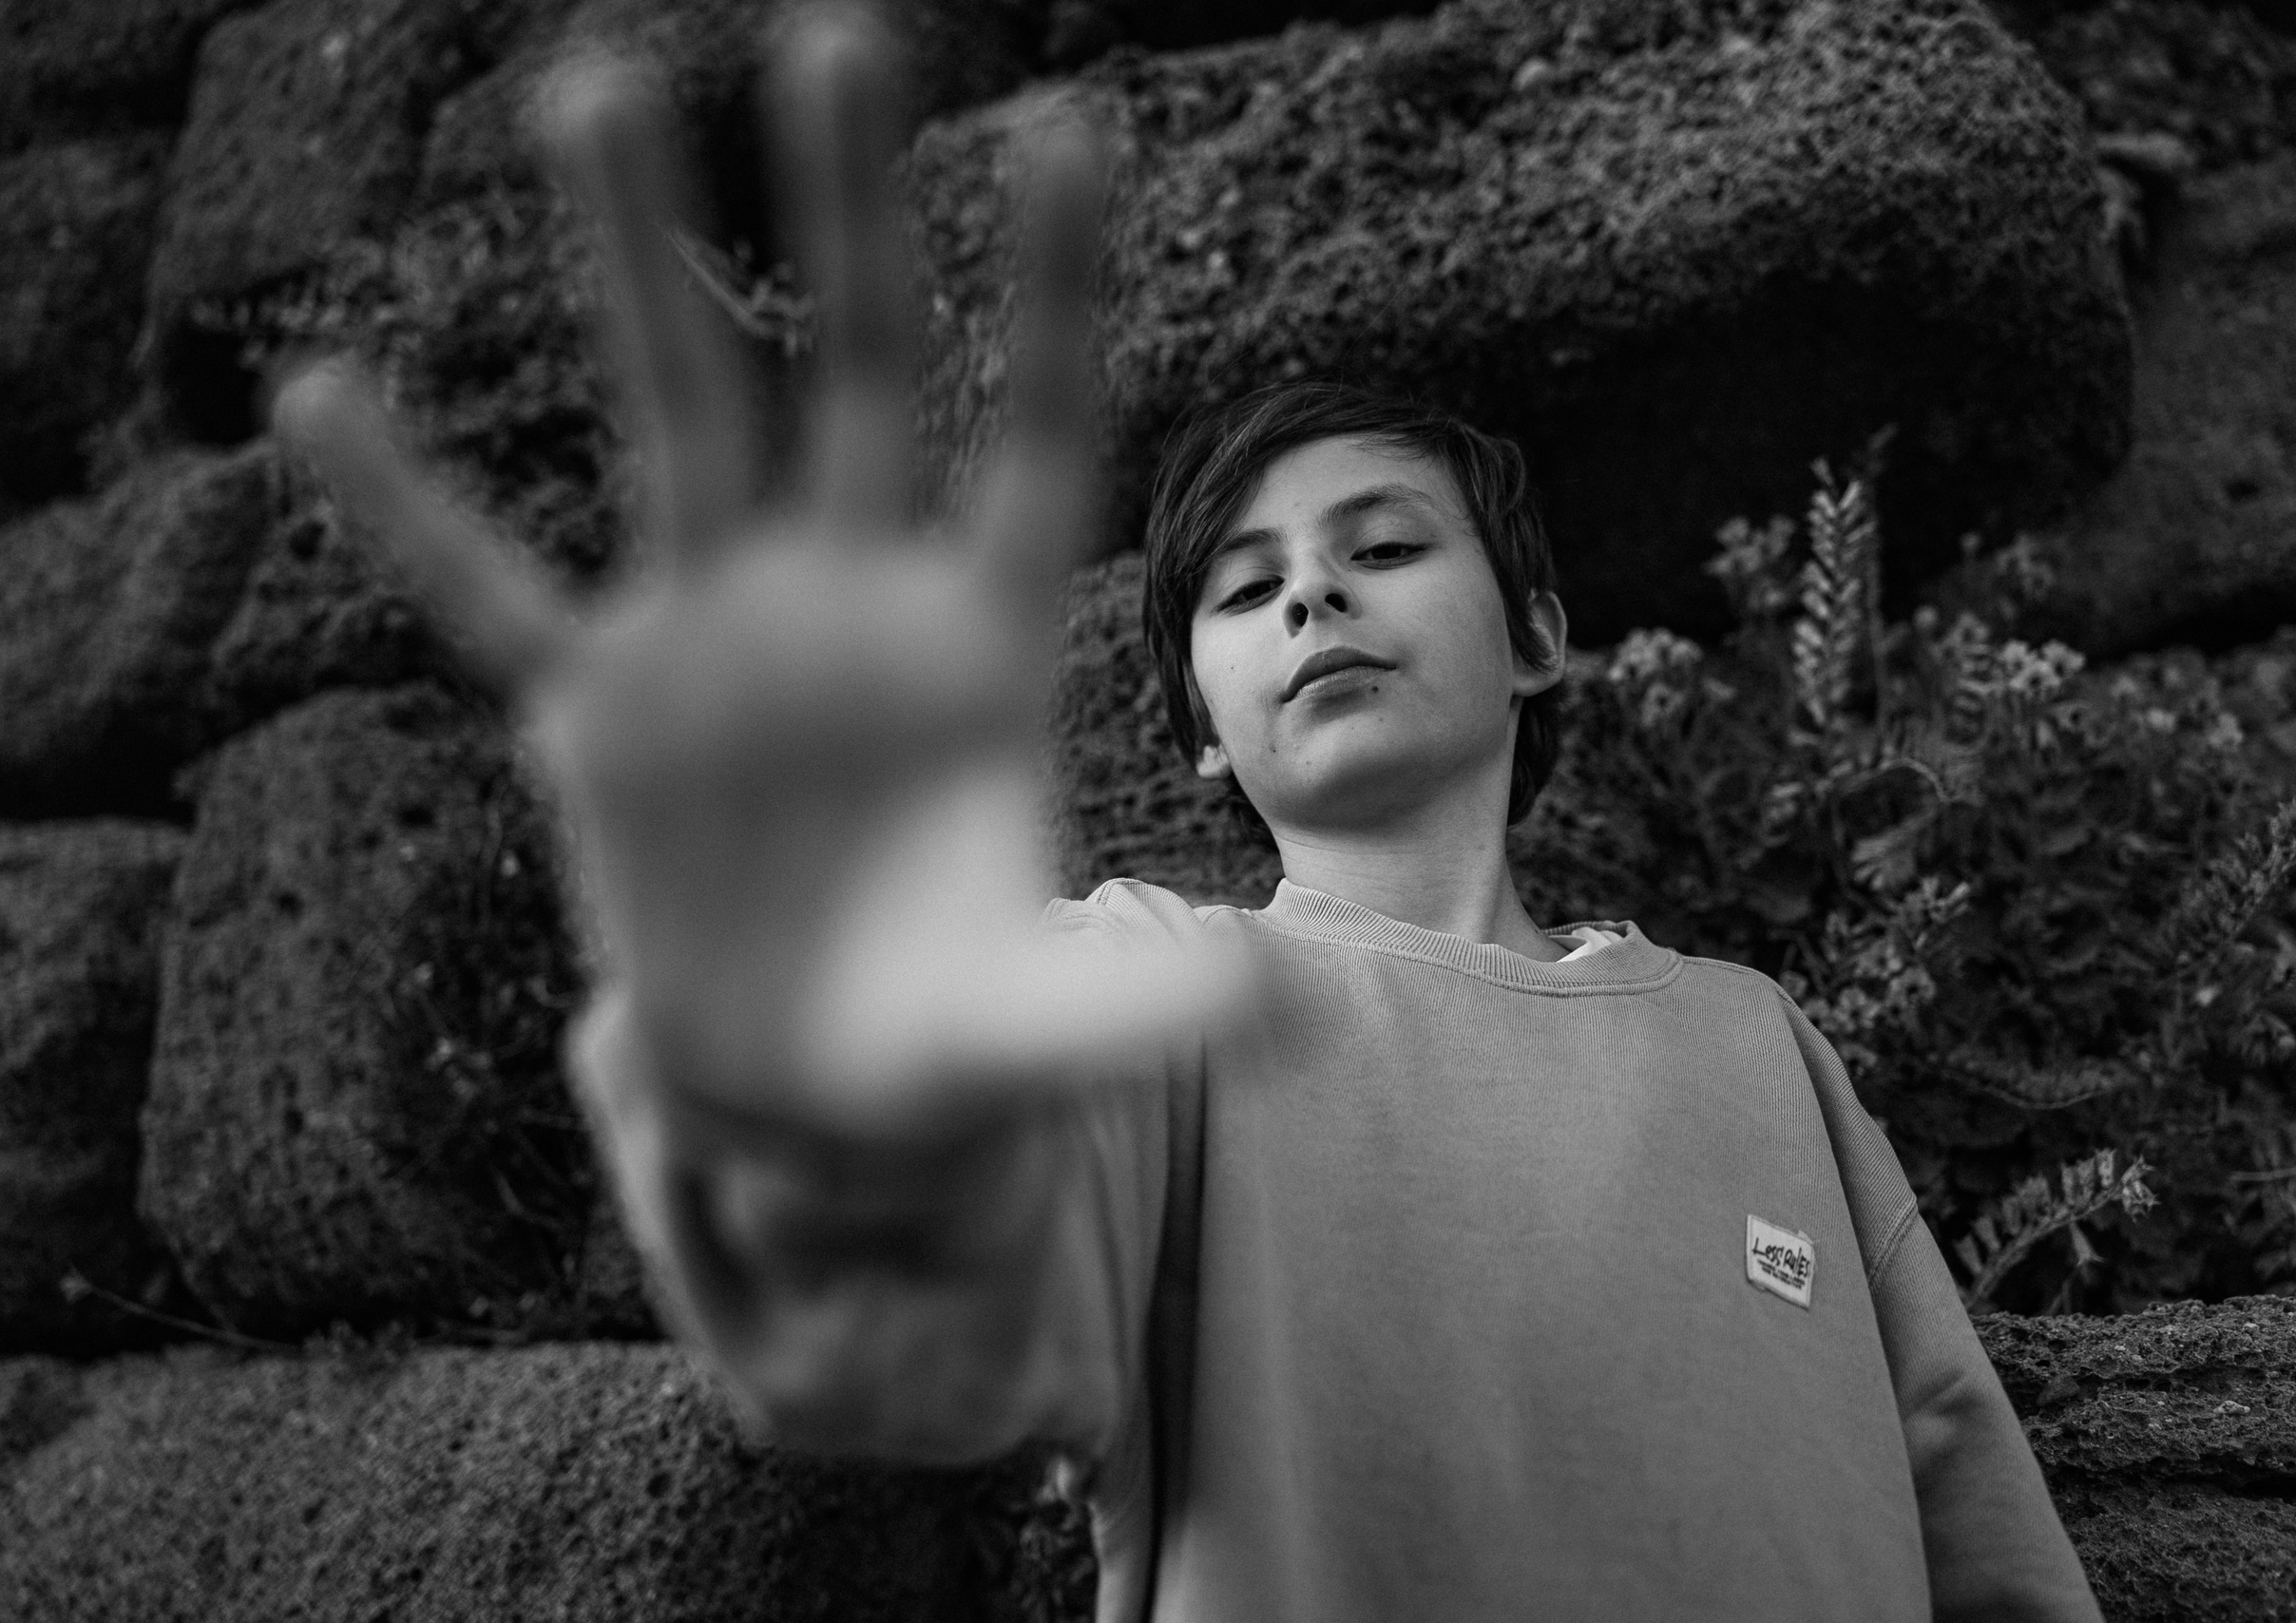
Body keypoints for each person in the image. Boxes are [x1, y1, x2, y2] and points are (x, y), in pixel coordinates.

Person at [274, 7, 2104, 1619]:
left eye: (1385, 548)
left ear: (1540, 634)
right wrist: (794, 1027)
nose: (1313, 599)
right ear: (1204, 737)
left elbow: (1975, 1518)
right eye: (1244, 591)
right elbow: (927, 1329)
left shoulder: (1759, 1045)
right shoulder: (1140, 994)